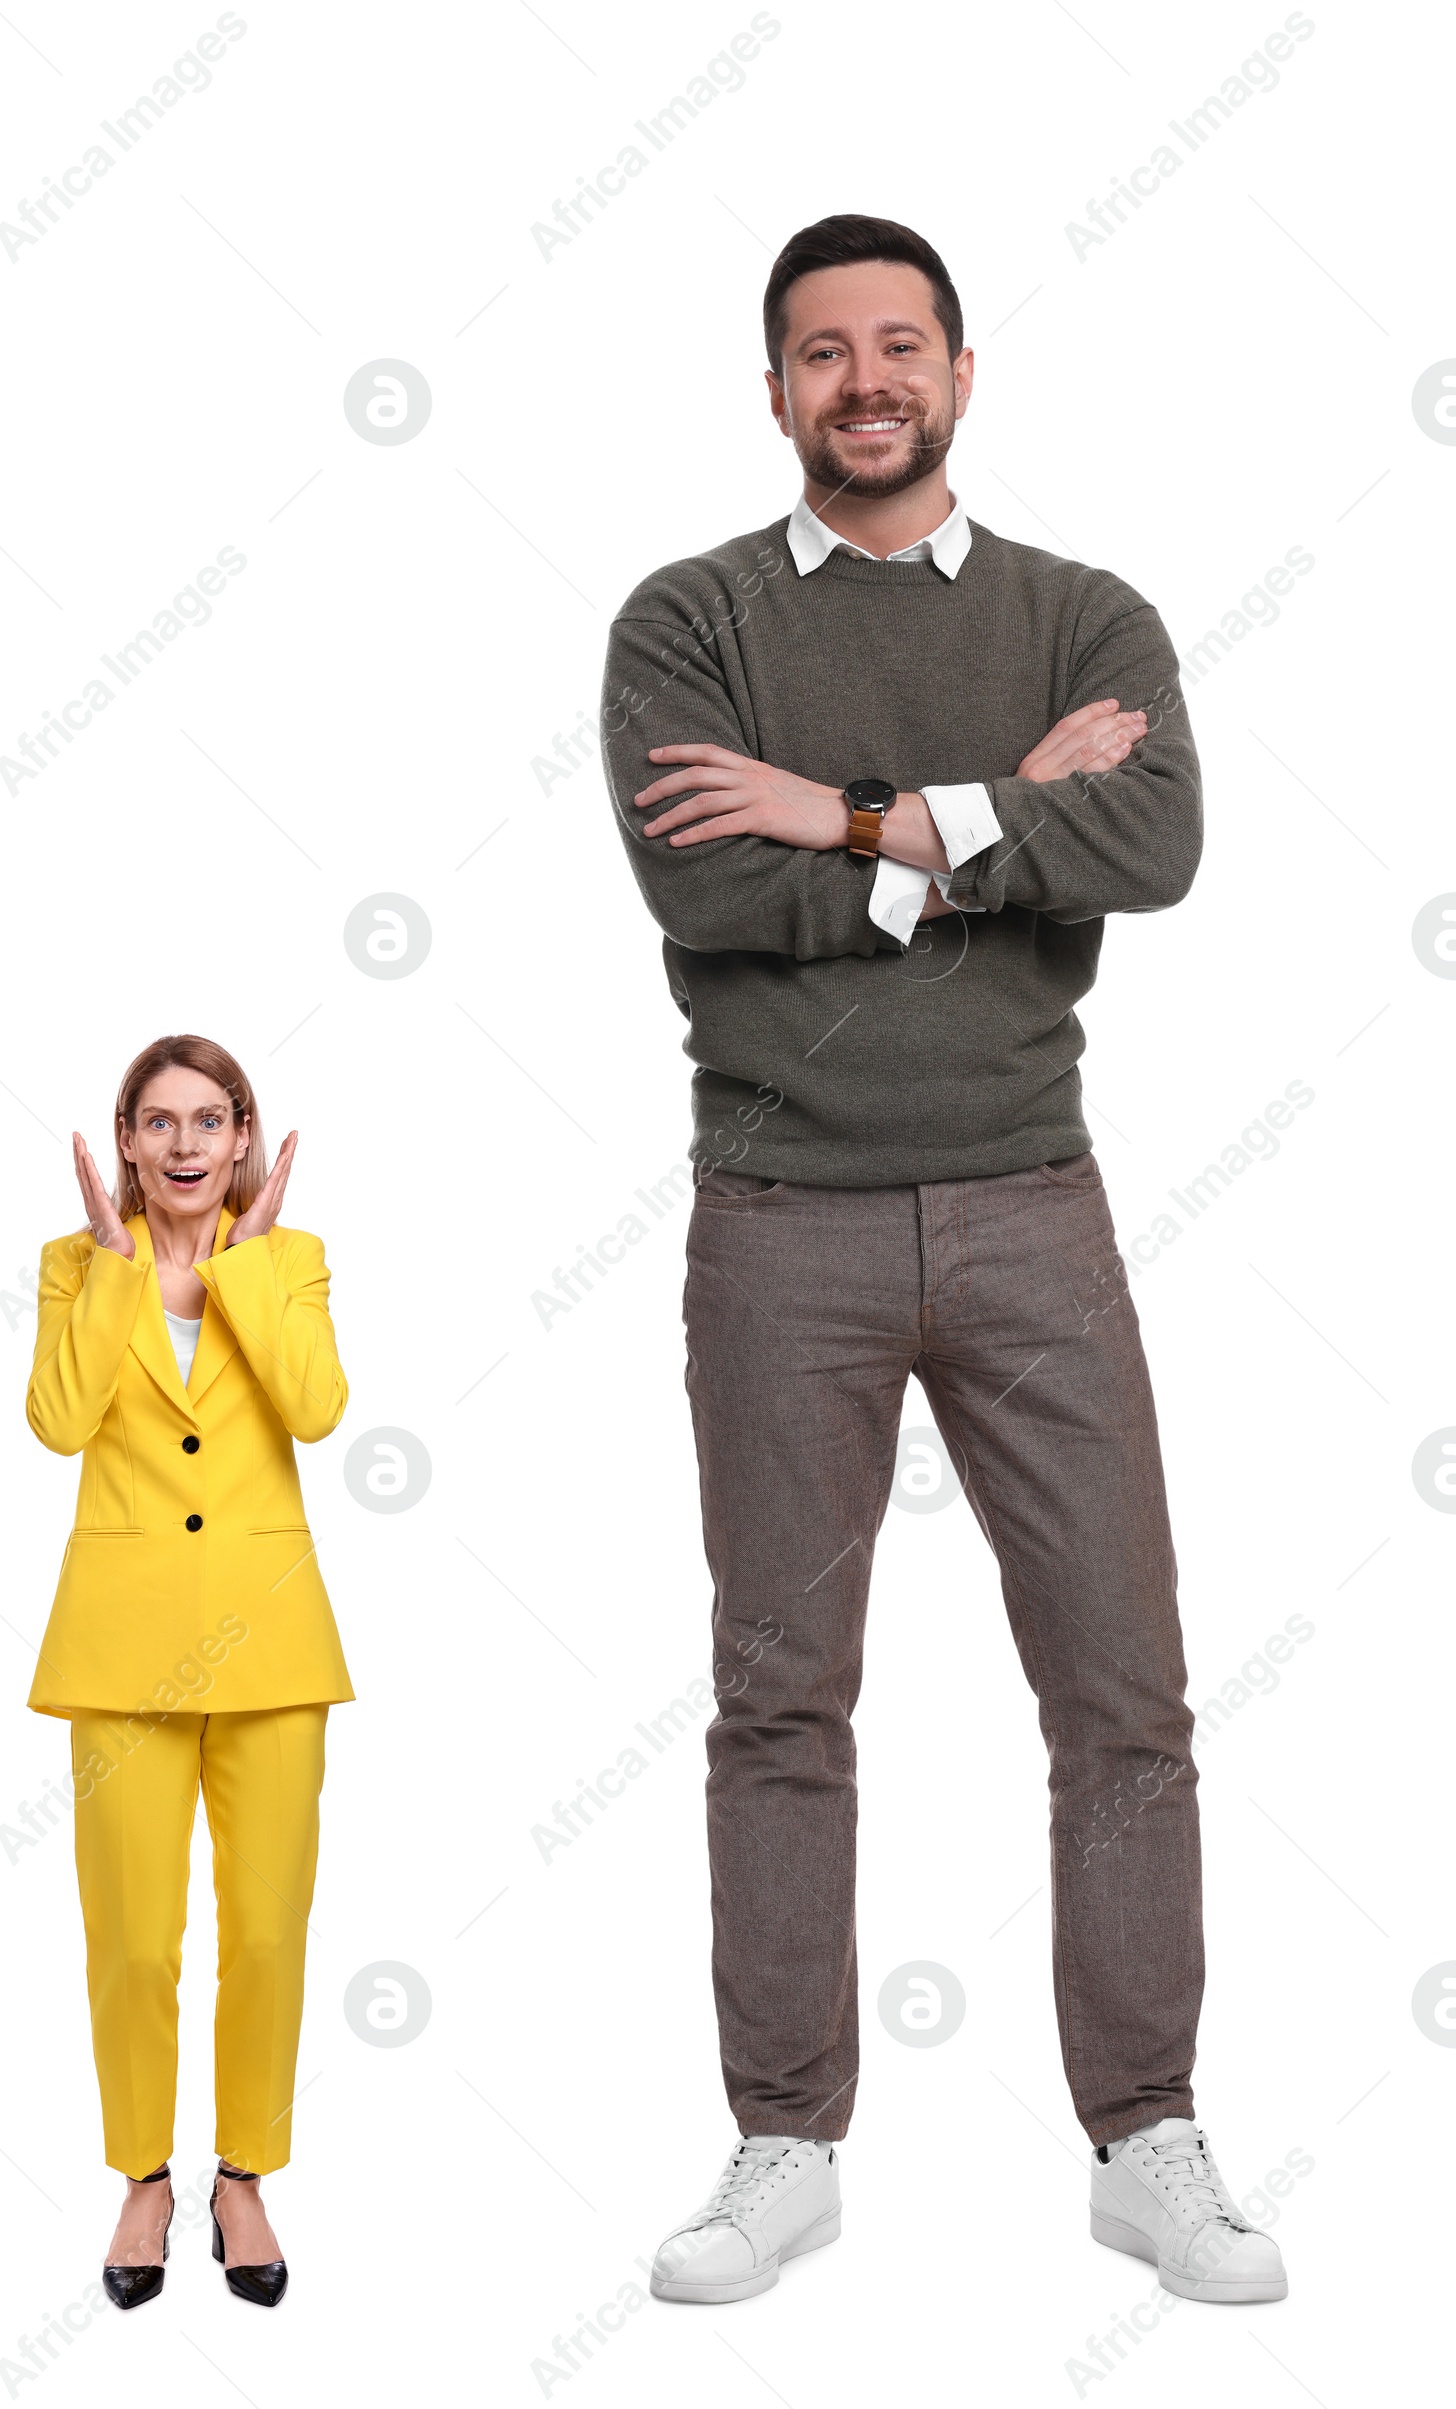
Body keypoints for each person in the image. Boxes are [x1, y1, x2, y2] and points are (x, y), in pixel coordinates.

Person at [602, 214, 1286, 2309]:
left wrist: (848, 812)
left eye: (898, 344)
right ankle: (782, 2137)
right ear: (778, 389)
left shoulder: (1085, 611)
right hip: (776, 1216)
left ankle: (1143, 2133)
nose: (863, 379)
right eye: (822, 352)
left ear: (960, 373)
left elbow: (1152, 847)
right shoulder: (686, 621)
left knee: (1121, 1688)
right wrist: (983, 826)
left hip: (1028, 1203)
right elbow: (705, 899)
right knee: (777, 1696)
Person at [26, 1033, 353, 2309]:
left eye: (206, 1122)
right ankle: (143, 2179)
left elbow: (317, 1409)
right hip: (118, 1651)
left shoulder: (292, 1262)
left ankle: (245, 2176)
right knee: (133, 1941)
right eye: (156, 1123)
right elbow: (57, 1423)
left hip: (270, 1649)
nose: (181, 1146)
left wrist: (256, 1265)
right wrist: (114, 1277)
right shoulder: (74, 1267)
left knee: (266, 1932)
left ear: (240, 1139)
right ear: (124, 1141)